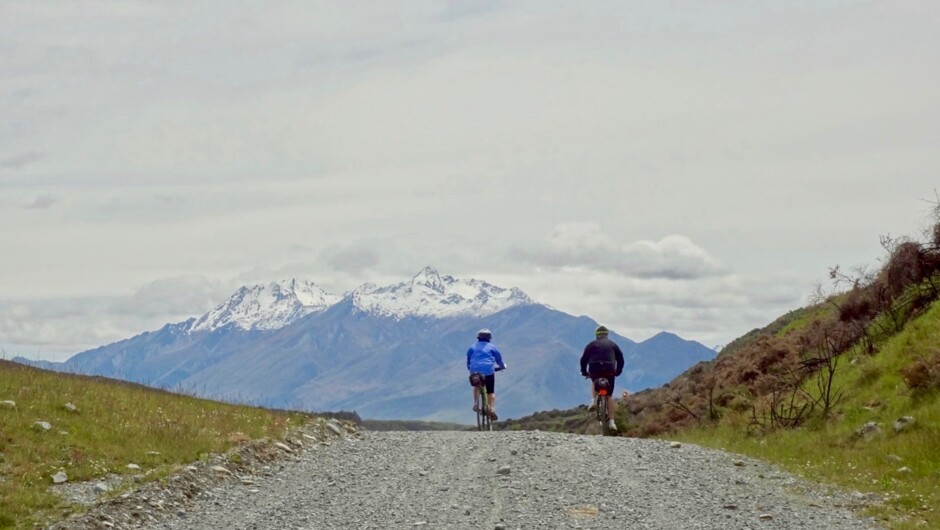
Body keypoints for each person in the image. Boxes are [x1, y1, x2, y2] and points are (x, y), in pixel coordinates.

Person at [580, 325, 625, 431]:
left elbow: (583, 360)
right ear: (607, 335)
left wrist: (584, 372)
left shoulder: (591, 345)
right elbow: (621, 359)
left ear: (597, 335)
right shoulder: (613, 345)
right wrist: (618, 371)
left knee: (593, 381)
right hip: (610, 370)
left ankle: (593, 401)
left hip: (595, 369)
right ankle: (612, 422)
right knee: (609, 396)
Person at [466, 328, 506, 420]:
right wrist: (502, 366)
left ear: (478, 338)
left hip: (474, 371)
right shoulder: (492, 347)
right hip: (488, 371)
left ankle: (476, 403)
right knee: (490, 391)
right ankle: (491, 409)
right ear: (489, 338)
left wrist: (470, 369)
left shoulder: (472, 347)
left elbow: (468, 360)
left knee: (476, 386)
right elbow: (499, 359)